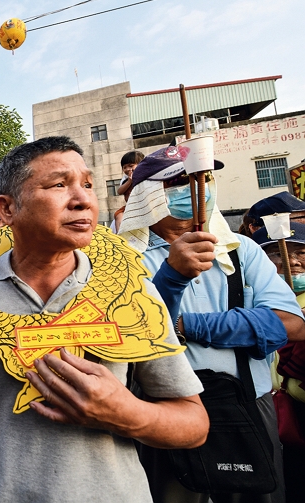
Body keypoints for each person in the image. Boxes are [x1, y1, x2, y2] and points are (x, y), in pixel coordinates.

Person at [0, 137, 208, 503]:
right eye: (59, 184)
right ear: (7, 209)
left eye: (86, 184)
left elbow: (194, 425)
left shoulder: (129, 291)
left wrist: (124, 412)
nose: (83, 199)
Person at [118, 146, 305, 503]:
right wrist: (171, 279)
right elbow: (133, 335)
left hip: (249, 403)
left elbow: (290, 324)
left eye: (203, 178)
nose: (196, 188)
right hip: (162, 410)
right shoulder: (122, 258)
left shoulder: (241, 249)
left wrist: (189, 325)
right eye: (179, 181)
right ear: (146, 193)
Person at [252, 223, 305, 503]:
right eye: (279, 254)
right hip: (270, 412)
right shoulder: (253, 303)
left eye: (303, 252)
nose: (293, 261)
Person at [111, 150, 145, 233]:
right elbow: (119, 191)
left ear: (141, 165)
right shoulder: (125, 179)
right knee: (118, 214)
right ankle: (121, 235)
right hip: (129, 206)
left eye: (131, 166)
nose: (127, 169)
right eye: (124, 167)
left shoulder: (144, 176)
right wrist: (129, 181)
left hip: (142, 205)